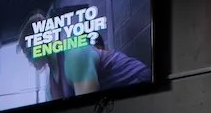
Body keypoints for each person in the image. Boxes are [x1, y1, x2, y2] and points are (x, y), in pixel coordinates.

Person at [19, 9, 152, 100]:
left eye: (29, 55)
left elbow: (88, 110)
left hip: (141, 86)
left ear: (39, 44)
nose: (30, 63)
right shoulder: (50, 86)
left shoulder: (74, 55)